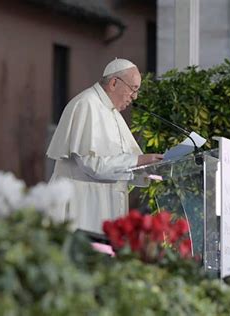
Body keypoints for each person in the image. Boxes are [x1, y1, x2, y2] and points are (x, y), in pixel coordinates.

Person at [46, 58, 163, 233]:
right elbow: (92, 165)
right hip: (83, 204)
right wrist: (137, 160)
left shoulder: (112, 112)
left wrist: (147, 168)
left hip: (103, 203)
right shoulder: (86, 104)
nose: (135, 96)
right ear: (114, 83)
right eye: (133, 89)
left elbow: (119, 165)